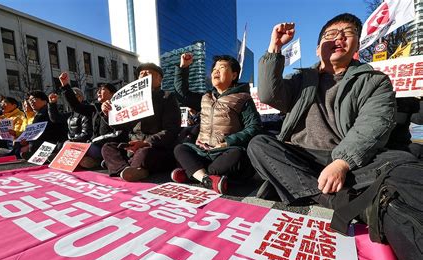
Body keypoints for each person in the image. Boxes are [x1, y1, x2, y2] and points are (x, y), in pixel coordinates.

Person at [247, 13, 417, 208]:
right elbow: (268, 95)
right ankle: (331, 198)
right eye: (331, 34)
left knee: (401, 160)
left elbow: (373, 125)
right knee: (259, 144)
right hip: (300, 155)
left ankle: (295, 186)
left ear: (357, 47)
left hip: (345, 158)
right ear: (318, 49)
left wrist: (341, 164)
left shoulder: (375, 81)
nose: (339, 38)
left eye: (347, 33)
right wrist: (275, 48)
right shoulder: (300, 80)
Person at [171, 53, 262, 194]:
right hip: (202, 150)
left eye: (222, 67)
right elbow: (181, 94)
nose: (216, 71)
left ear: (234, 75)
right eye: (214, 69)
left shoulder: (243, 98)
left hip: (224, 151)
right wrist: (183, 68)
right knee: (180, 149)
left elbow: (254, 126)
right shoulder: (205, 97)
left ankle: (194, 173)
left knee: (237, 154)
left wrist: (228, 142)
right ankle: (208, 179)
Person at [100, 62, 181, 181]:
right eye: (140, 74)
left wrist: (146, 142)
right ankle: (127, 169)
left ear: (159, 79)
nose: (143, 75)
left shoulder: (167, 97)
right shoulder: (130, 100)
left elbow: (171, 130)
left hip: (153, 146)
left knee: (144, 154)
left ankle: (122, 167)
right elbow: (121, 126)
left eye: (148, 73)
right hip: (132, 145)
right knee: (107, 148)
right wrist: (108, 113)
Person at [58, 72, 120, 169]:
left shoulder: (119, 108)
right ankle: (92, 162)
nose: (98, 92)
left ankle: (96, 161)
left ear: (112, 93)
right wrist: (65, 86)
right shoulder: (94, 108)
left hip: (108, 147)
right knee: (67, 144)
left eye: (102, 89)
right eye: (98, 90)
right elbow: (76, 106)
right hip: (94, 145)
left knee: (85, 149)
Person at [20, 90, 67, 159]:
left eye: (34, 99)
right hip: (47, 142)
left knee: (33, 145)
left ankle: (51, 155)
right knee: (31, 145)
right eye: (30, 100)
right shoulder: (38, 114)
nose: (31, 102)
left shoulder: (50, 111)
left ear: (45, 100)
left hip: (55, 141)